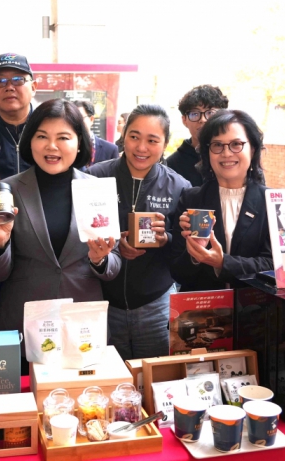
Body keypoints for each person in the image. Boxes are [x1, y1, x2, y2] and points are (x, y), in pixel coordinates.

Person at [0, 99, 121, 372]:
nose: (51, 146)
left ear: (80, 143)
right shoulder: (6, 190)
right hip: (24, 323)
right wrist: (0, 242)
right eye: (42, 136)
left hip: (81, 325)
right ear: (30, 141)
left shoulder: (97, 190)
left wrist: (100, 259)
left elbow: (114, 266)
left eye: (63, 137)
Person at [88, 104, 191, 360]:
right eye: (134, 136)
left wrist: (166, 238)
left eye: (152, 140)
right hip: (103, 303)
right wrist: (113, 247)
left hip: (156, 304)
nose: (141, 147)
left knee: (155, 375)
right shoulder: (95, 177)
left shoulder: (179, 186)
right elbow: (78, 234)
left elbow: (185, 249)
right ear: (124, 136)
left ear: (165, 144)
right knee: (111, 377)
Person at [170, 109, 273, 291]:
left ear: (253, 149)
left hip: (255, 306)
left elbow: (274, 266)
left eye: (236, 144)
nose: (226, 153)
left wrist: (223, 263)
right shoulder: (191, 199)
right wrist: (194, 254)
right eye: (217, 145)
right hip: (204, 306)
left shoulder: (271, 202)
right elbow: (178, 272)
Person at [166, 85, 229, 187]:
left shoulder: (231, 156)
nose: (203, 119)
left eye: (210, 113)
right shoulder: (171, 166)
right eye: (195, 114)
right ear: (184, 120)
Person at [73, 100, 119, 166]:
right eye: (73, 118)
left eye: (80, 118)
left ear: (91, 119)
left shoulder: (110, 150)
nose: (76, 122)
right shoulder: (66, 146)